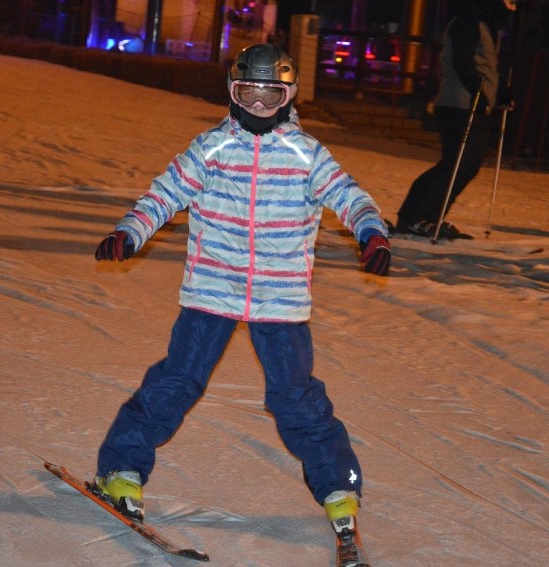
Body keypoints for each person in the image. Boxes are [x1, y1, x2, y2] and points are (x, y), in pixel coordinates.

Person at [90, 44, 391, 538]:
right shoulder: (210, 148)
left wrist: (370, 232)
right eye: (248, 91)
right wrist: (131, 231)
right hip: (212, 289)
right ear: (233, 91)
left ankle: (337, 483)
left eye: (270, 94)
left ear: (288, 96)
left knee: (295, 397)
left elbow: (350, 196)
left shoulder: (306, 154)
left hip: (280, 298)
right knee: (176, 381)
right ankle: (121, 468)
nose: (257, 105)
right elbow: (164, 193)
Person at [395, 0, 517, 240]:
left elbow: (486, 66)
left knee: (465, 167)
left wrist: (499, 91)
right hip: (459, 104)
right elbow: (462, 61)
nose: (512, 7)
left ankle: (431, 219)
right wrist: (479, 92)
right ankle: (413, 217)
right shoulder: (468, 20)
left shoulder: (486, 24)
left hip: (473, 104)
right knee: (455, 165)